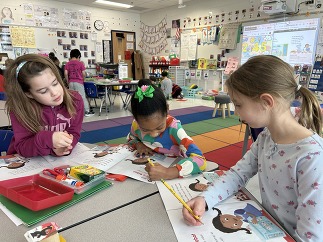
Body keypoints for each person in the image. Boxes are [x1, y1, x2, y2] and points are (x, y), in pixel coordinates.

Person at [182, 55, 323, 241]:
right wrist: (205, 199)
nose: (236, 112)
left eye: (239, 105)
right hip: (269, 227)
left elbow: (311, 236)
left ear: (266, 102)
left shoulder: (312, 156)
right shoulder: (266, 136)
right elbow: (238, 174)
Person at [4, 54, 84, 158]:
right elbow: (22, 147)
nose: (54, 93)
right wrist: (48, 139)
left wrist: (66, 147)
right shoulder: (20, 108)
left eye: (55, 83)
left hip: (56, 162)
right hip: (27, 162)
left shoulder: (75, 100)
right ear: (29, 94)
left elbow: (74, 132)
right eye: (43, 91)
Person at [127, 80, 206, 180]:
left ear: (167, 110)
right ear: (135, 118)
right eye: (145, 129)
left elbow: (200, 159)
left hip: (174, 172)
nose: (153, 134)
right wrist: (139, 144)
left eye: (159, 127)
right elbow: (131, 138)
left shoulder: (174, 129)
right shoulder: (136, 125)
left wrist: (170, 172)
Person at [64, 49, 94, 117]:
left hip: (71, 82)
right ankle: (86, 111)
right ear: (78, 56)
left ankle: (74, 111)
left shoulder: (67, 63)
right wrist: (83, 79)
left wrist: (68, 81)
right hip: (79, 82)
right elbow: (84, 73)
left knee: (73, 97)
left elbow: (65, 73)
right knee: (82, 97)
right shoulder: (80, 63)